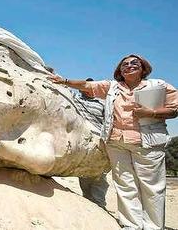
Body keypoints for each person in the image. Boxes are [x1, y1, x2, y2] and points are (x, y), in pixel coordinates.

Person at [49, 54, 178, 230]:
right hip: (116, 142)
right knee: (125, 185)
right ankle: (130, 225)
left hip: (147, 143)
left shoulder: (159, 85)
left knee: (152, 187)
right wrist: (63, 80)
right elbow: (87, 85)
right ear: (119, 70)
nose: (129, 66)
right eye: (125, 64)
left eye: (135, 63)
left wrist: (151, 112)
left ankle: (153, 227)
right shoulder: (112, 87)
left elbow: (173, 110)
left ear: (143, 68)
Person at [73, 78, 109, 209]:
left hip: (98, 142)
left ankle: (100, 206)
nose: (87, 90)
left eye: (90, 87)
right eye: (84, 88)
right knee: (84, 175)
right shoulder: (75, 99)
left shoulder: (103, 103)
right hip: (82, 143)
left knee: (99, 176)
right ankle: (90, 206)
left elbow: (108, 122)